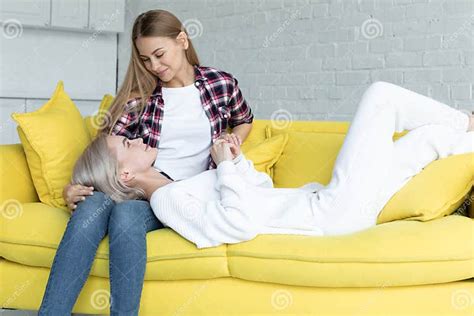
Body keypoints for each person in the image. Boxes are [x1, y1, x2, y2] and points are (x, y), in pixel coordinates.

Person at [72, 81, 474, 250]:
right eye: (127, 143)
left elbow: (258, 195)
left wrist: (237, 161)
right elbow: (240, 226)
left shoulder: (182, 183)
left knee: (430, 140)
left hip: (328, 204)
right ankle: (469, 119)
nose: (138, 137)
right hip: (330, 213)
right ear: (126, 174)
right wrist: (225, 169)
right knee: (381, 96)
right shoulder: (165, 201)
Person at [39, 9, 254, 315]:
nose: (154, 66)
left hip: (190, 192)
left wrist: (235, 141)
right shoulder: (140, 97)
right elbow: (109, 155)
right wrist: (73, 189)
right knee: (96, 207)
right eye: (145, 59)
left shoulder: (220, 83)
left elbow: (243, 120)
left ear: (182, 40)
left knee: (125, 215)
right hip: (145, 191)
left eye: (159, 54)